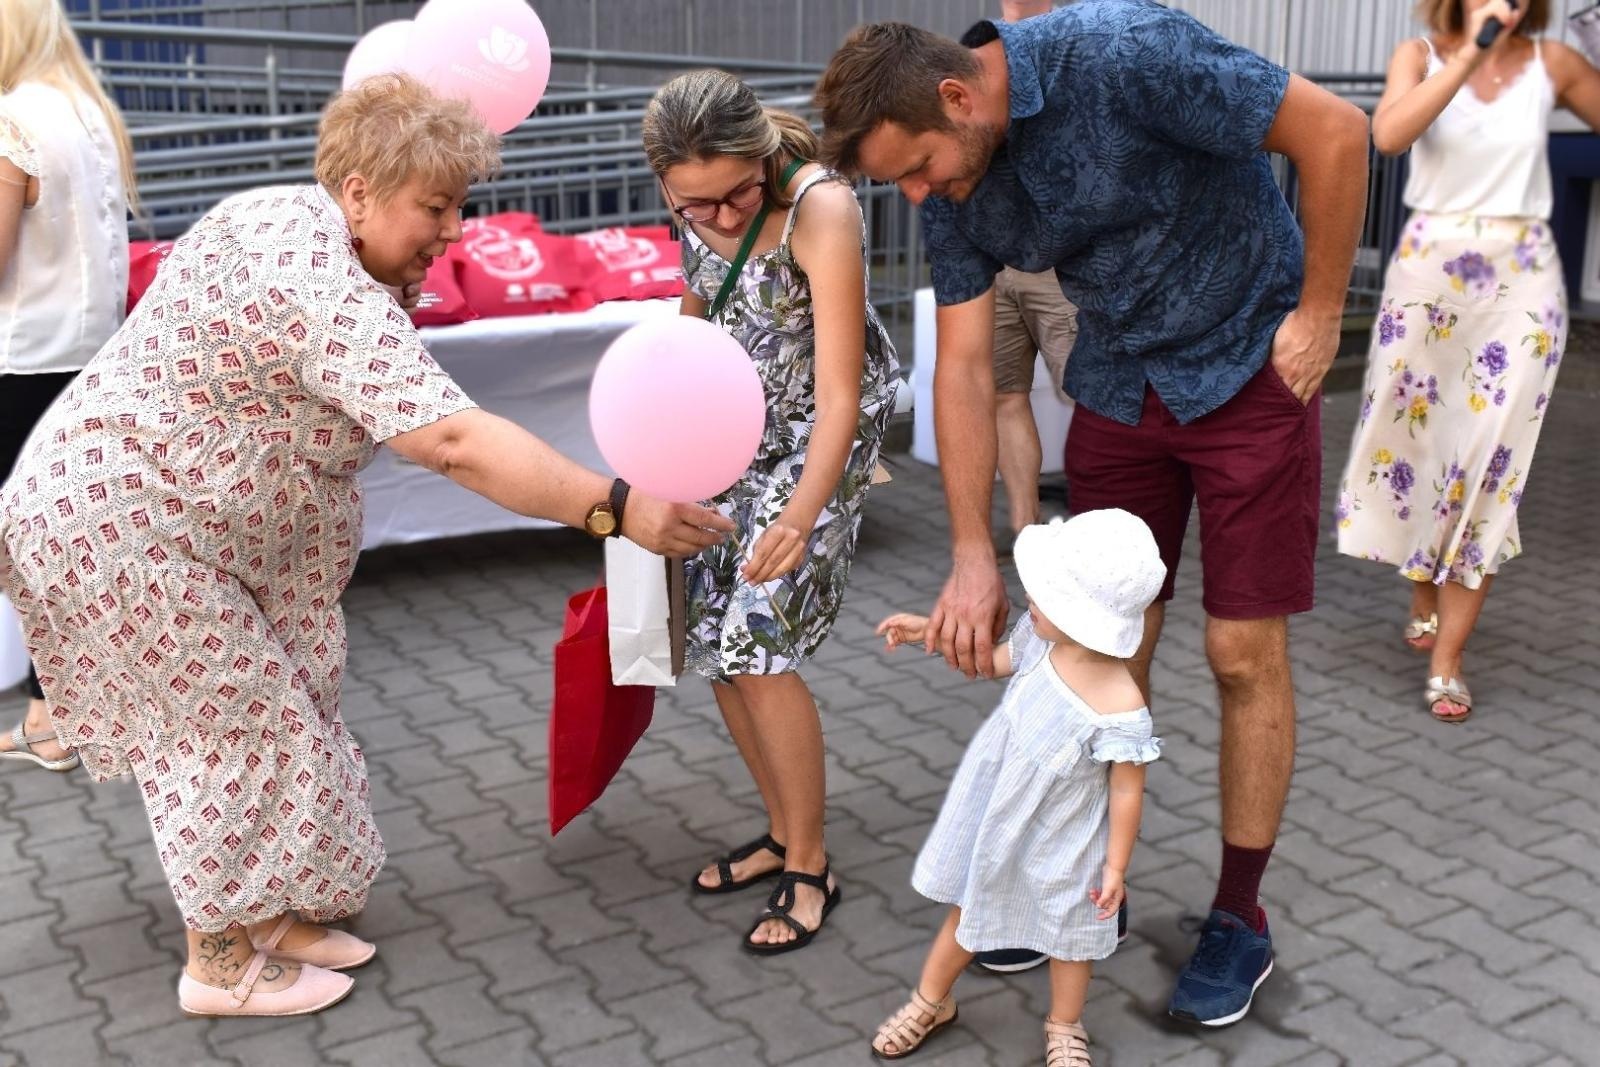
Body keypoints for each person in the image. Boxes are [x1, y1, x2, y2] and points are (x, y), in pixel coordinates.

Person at [0, 73, 730, 1018]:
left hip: (181, 525)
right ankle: (217, 963)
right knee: (233, 720)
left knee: (298, 692)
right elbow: (452, 440)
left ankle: (274, 916)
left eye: (459, 206)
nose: (455, 231)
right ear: (358, 191)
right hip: (118, 528)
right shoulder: (318, 280)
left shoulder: (295, 223)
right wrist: (616, 506)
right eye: (435, 206)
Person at [814, 2, 1369, 1026]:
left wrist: (1321, 313)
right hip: (1118, 384)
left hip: (1250, 367)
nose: (920, 194)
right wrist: (972, 551)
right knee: (1090, 652)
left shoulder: (1124, 52)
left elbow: (1334, 131)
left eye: (921, 167)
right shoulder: (943, 175)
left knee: (1241, 650)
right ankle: (1075, 889)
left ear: (958, 95)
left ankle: (1238, 916)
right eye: (899, 181)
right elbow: (968, 366)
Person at [642, 70, 900, 954]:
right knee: (714, 642)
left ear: (762, 158)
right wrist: (662, 459)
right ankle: (784, 832)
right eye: (693, 204)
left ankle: (812, 865)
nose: (716, 217)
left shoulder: (819, 207)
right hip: (726, 436)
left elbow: (839, 395)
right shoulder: (696, 210)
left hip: (812, 440)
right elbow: (688, 331)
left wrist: (800, 511)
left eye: (735, 195)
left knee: (759, 634)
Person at [1337, 0, 1597, 723]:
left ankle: (1447, 661)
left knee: (1490, 460)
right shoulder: (1418, 55)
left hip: (1522, 280)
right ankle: (1423, 575)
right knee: (1417, 445)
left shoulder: (1556, 64)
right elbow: (1388, 134)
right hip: (1430, 276)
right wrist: (1468, 57)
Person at [869, 510, 1164, 1065]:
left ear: (1085, 618)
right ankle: (930, 1001)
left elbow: (1127, 791)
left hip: (1067, 836)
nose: (1031, 603)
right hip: (1001, 811)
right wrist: (926, 637)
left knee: (1071, 932)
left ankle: (1064, 1025)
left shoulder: (1123, 709)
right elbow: (994, 662)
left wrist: (1116, 867)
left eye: (1045, 597)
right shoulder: (1041, 641)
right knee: (971, 908)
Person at [0, 0, 135, 774]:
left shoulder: (14, 119)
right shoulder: (89, 113)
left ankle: (59, 716)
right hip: (86, 361)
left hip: (19, 361)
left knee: (35, 551)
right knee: (54, 546)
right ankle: (56, 713)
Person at [988, 1, 1079, 541]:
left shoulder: (1071, 50)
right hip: (997, 259)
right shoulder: (981, 53)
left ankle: (1106, 523)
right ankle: (1026, 530)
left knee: (1087, 396)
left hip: (1059, 264)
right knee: (1004, 393)